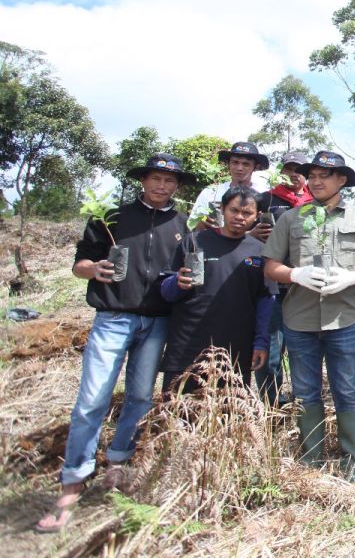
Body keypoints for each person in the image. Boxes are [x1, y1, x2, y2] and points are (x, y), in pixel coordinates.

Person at [37, 154, 193, 534]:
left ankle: (118, 462)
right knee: (93, 398)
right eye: (156, 178)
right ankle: (73, 481)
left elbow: (185, 270)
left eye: (170, 181)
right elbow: (79, 264)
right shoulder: (111, 218)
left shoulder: (182, 224)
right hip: (113, 318)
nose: (162, 186)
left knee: (140, 396)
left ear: (177, 187)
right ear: (143, 181)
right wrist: (94, 269)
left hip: (157, 321)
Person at [262, 151, 355, 481]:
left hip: (343, 318)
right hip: (299, 319)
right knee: (305, 390)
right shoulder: (291, 219)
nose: (315, 181)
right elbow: (271, 264)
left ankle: (352, 461)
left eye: (324, 175)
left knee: (347, 389)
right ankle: (312, 461)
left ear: (341, 180)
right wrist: (295, 274)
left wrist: (354, 277)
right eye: (311, 175)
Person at [159, 186, 271, 394]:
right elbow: (166, 291)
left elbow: (265, 300)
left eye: (247, 213)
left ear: (258, 216)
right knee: (178, 412)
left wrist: (261, 342)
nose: (239, 217)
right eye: (234, 210)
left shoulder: (260, 251)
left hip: (236, 348)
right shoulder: (193, 242)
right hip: (187, 343)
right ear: (222, 209)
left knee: (226, 412)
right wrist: (178, 282)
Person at [255, 150, 312, 406]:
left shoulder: (318, 203)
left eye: (298, 170)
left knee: (305, 351)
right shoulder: (266, 199)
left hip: (306, 288)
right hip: (274, 286)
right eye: (288, 169)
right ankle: (271, 405)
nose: (293, 175)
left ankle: (304, 402)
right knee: (272, 351)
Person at [189, 141, 271, 234]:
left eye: (246, 164)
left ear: (255, 167)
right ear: (228, 164)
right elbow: (193, 225)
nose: (239, 168)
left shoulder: (265, 194)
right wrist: (202, 222)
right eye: (235, 162)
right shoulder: (210, 193)